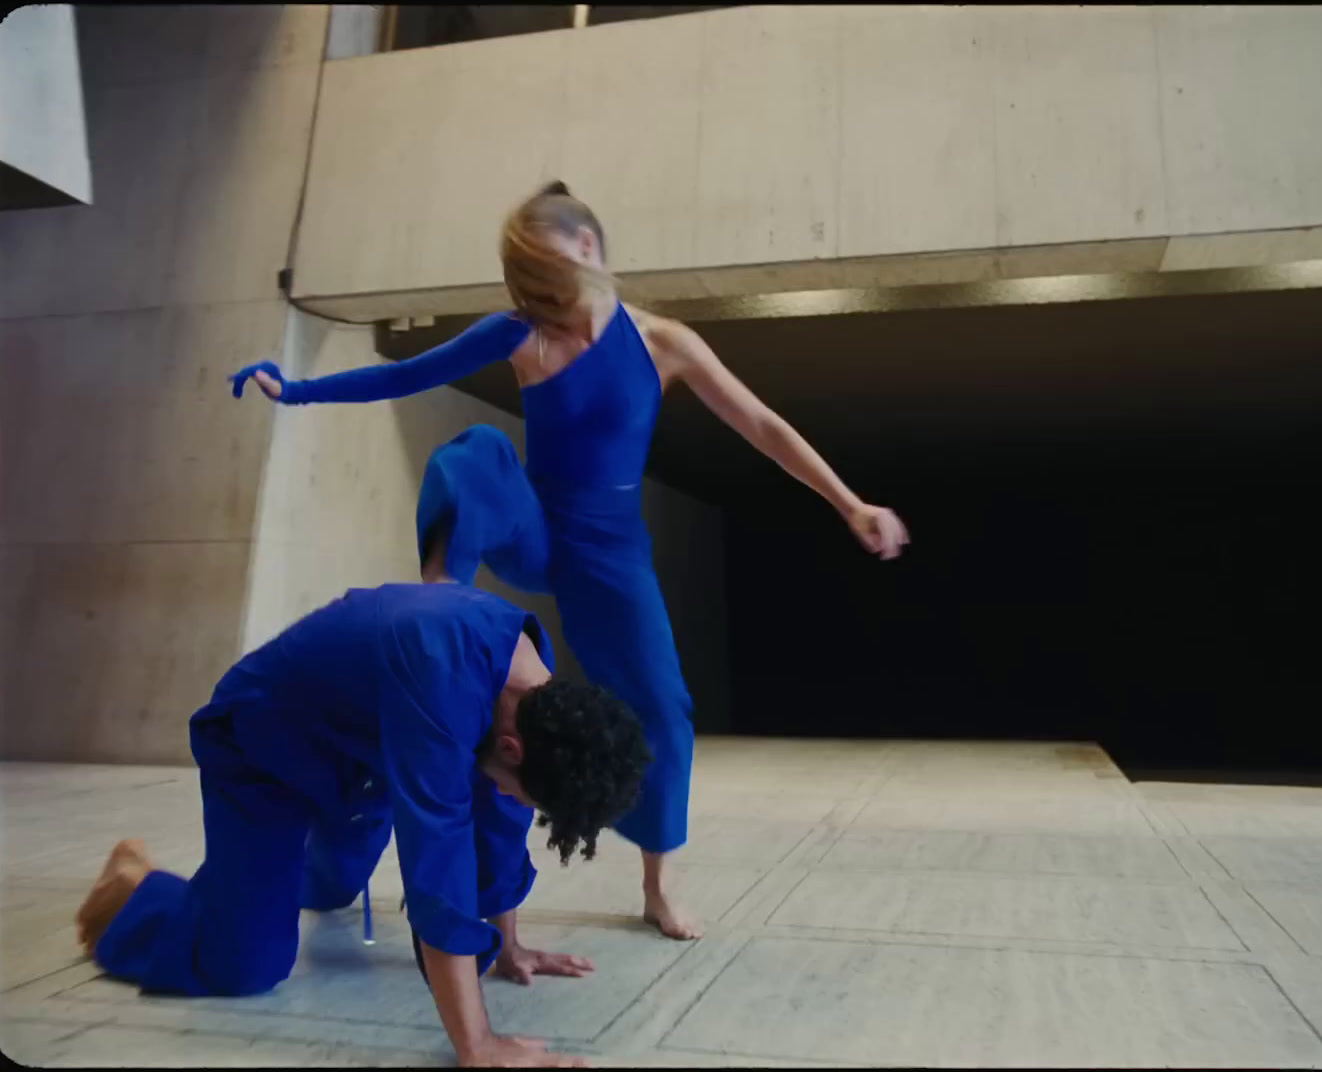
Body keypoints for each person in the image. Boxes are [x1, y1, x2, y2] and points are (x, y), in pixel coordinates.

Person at [229, 181, 910, 939]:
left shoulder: (664, 344)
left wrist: (850, 502)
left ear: (588, 249)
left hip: (611, 556)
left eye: (548, 279)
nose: (541, 299)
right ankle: (440, 599)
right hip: (536, 528)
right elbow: (405, 374)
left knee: (663, 708)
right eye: (530, 285)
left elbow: (762, 424)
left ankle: (657, 882)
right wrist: (295, 389)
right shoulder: (521, 335)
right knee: (479, 454)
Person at [74, 582, 651, 1069]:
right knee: (245, 963)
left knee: (328, 888)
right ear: (510, 746)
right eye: (519, 784)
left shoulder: (535, 697)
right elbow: (438, 868)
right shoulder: (439, 668)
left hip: (365, 761)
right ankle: (134, 892)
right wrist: (477, 1044)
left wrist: (509, 944)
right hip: (265, 750)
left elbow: (500, 820)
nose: (513, 795)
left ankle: (246, 885)